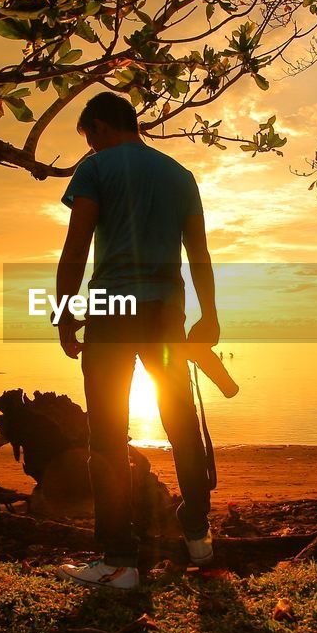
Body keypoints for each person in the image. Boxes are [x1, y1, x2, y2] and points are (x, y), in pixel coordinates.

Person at [52, 92, 219, 590]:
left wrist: (64, 312)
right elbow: (200, 254)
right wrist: (209, 315)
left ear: (99, 127)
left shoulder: (96, 169)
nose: (91, 149)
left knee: (106, 435)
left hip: (112, 309)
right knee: (182, 423)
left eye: (89, 140)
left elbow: (77, 244)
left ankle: (119, 561)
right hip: (166, 311)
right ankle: (198, 538)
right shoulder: (179, 176)